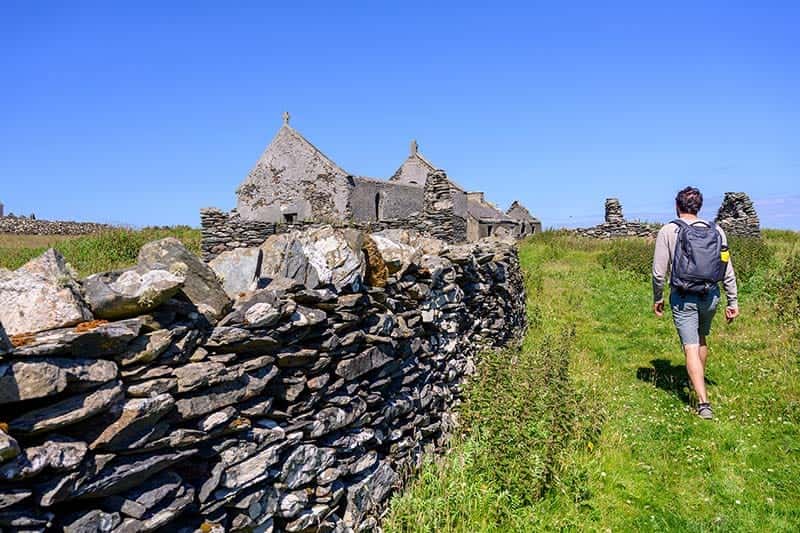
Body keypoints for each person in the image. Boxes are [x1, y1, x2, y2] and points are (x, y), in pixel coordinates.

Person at [652, 186, 739, 420]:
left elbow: (659, 273)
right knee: (701, 339)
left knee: (689, 346)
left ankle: (703, 402)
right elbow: (726, 268)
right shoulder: (717, 231)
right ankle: (696, 381)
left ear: (677, 206)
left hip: (683, 296)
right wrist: (733, 300)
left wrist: (658, 297)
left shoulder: (669, 230)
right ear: (699, 206)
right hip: (711, 295)